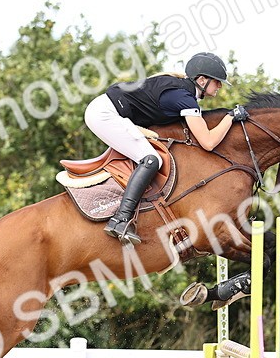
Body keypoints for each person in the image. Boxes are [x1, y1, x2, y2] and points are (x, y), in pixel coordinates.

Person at [84, 51, 249, 244]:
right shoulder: (183, 97)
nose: (220, 86)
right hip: (105, 115)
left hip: (107, 110)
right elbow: (209, 142)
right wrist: (230, 117)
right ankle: (120, 220)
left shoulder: (182, 92)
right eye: (217, 81)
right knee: (151, 159)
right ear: (202, 80)